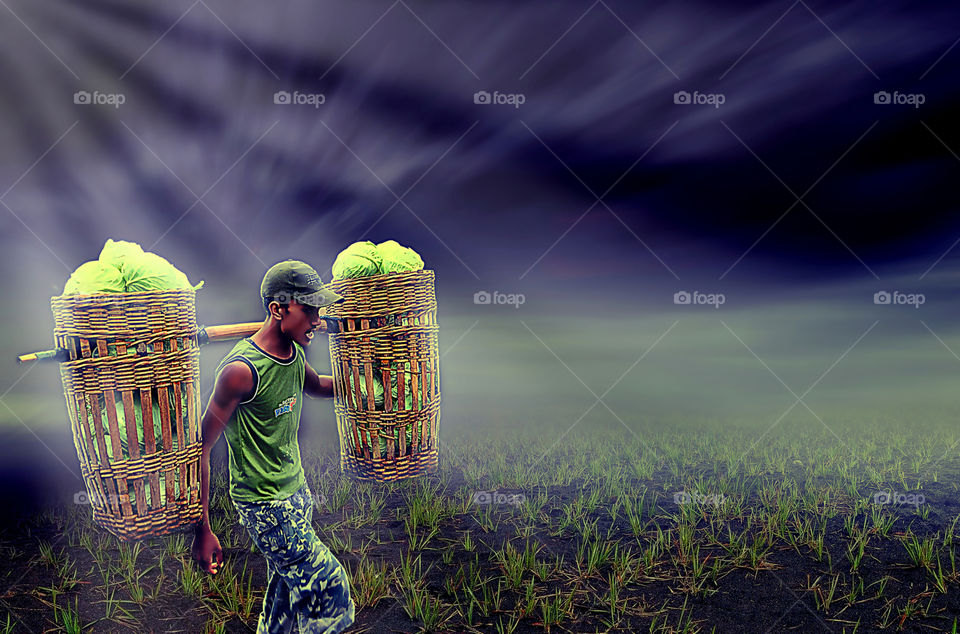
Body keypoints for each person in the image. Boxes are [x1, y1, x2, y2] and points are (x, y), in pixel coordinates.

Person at [192, 260, 356, 634]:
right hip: (264, 505)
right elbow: (200, 449)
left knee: (284, 596)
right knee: (329, 589)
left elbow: (316, 386)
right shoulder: (241, 371)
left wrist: (366, 381)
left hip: (297, 493)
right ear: (278, 309)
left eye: (320, 309)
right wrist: (202, 529)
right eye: (310, 310)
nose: (318, 319)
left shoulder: (295, 354)